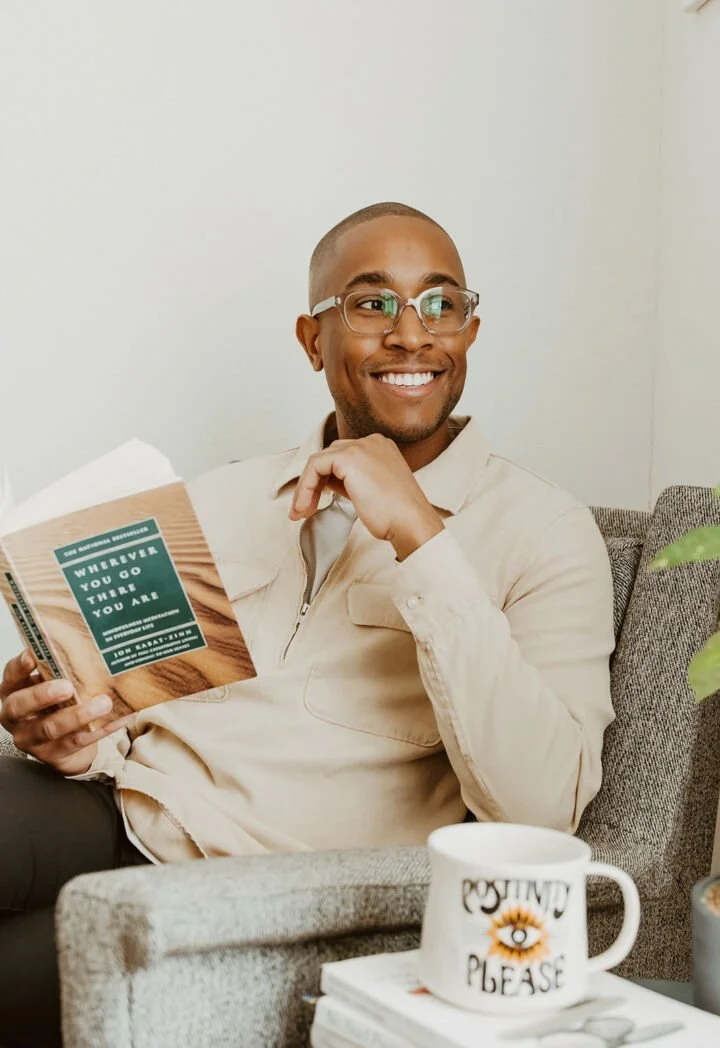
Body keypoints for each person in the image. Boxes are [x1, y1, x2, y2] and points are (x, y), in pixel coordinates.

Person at [0, 202, 615, 1046]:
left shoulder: (545, 529)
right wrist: (75, 738)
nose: (412, 334)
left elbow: (543, 810)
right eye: (371, 305)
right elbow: (131, 719)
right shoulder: (220, 496)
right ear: (312, 339)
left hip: (264, 885)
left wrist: (420, 536)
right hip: (129, 810)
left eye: (442, 305)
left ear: (470, 331)